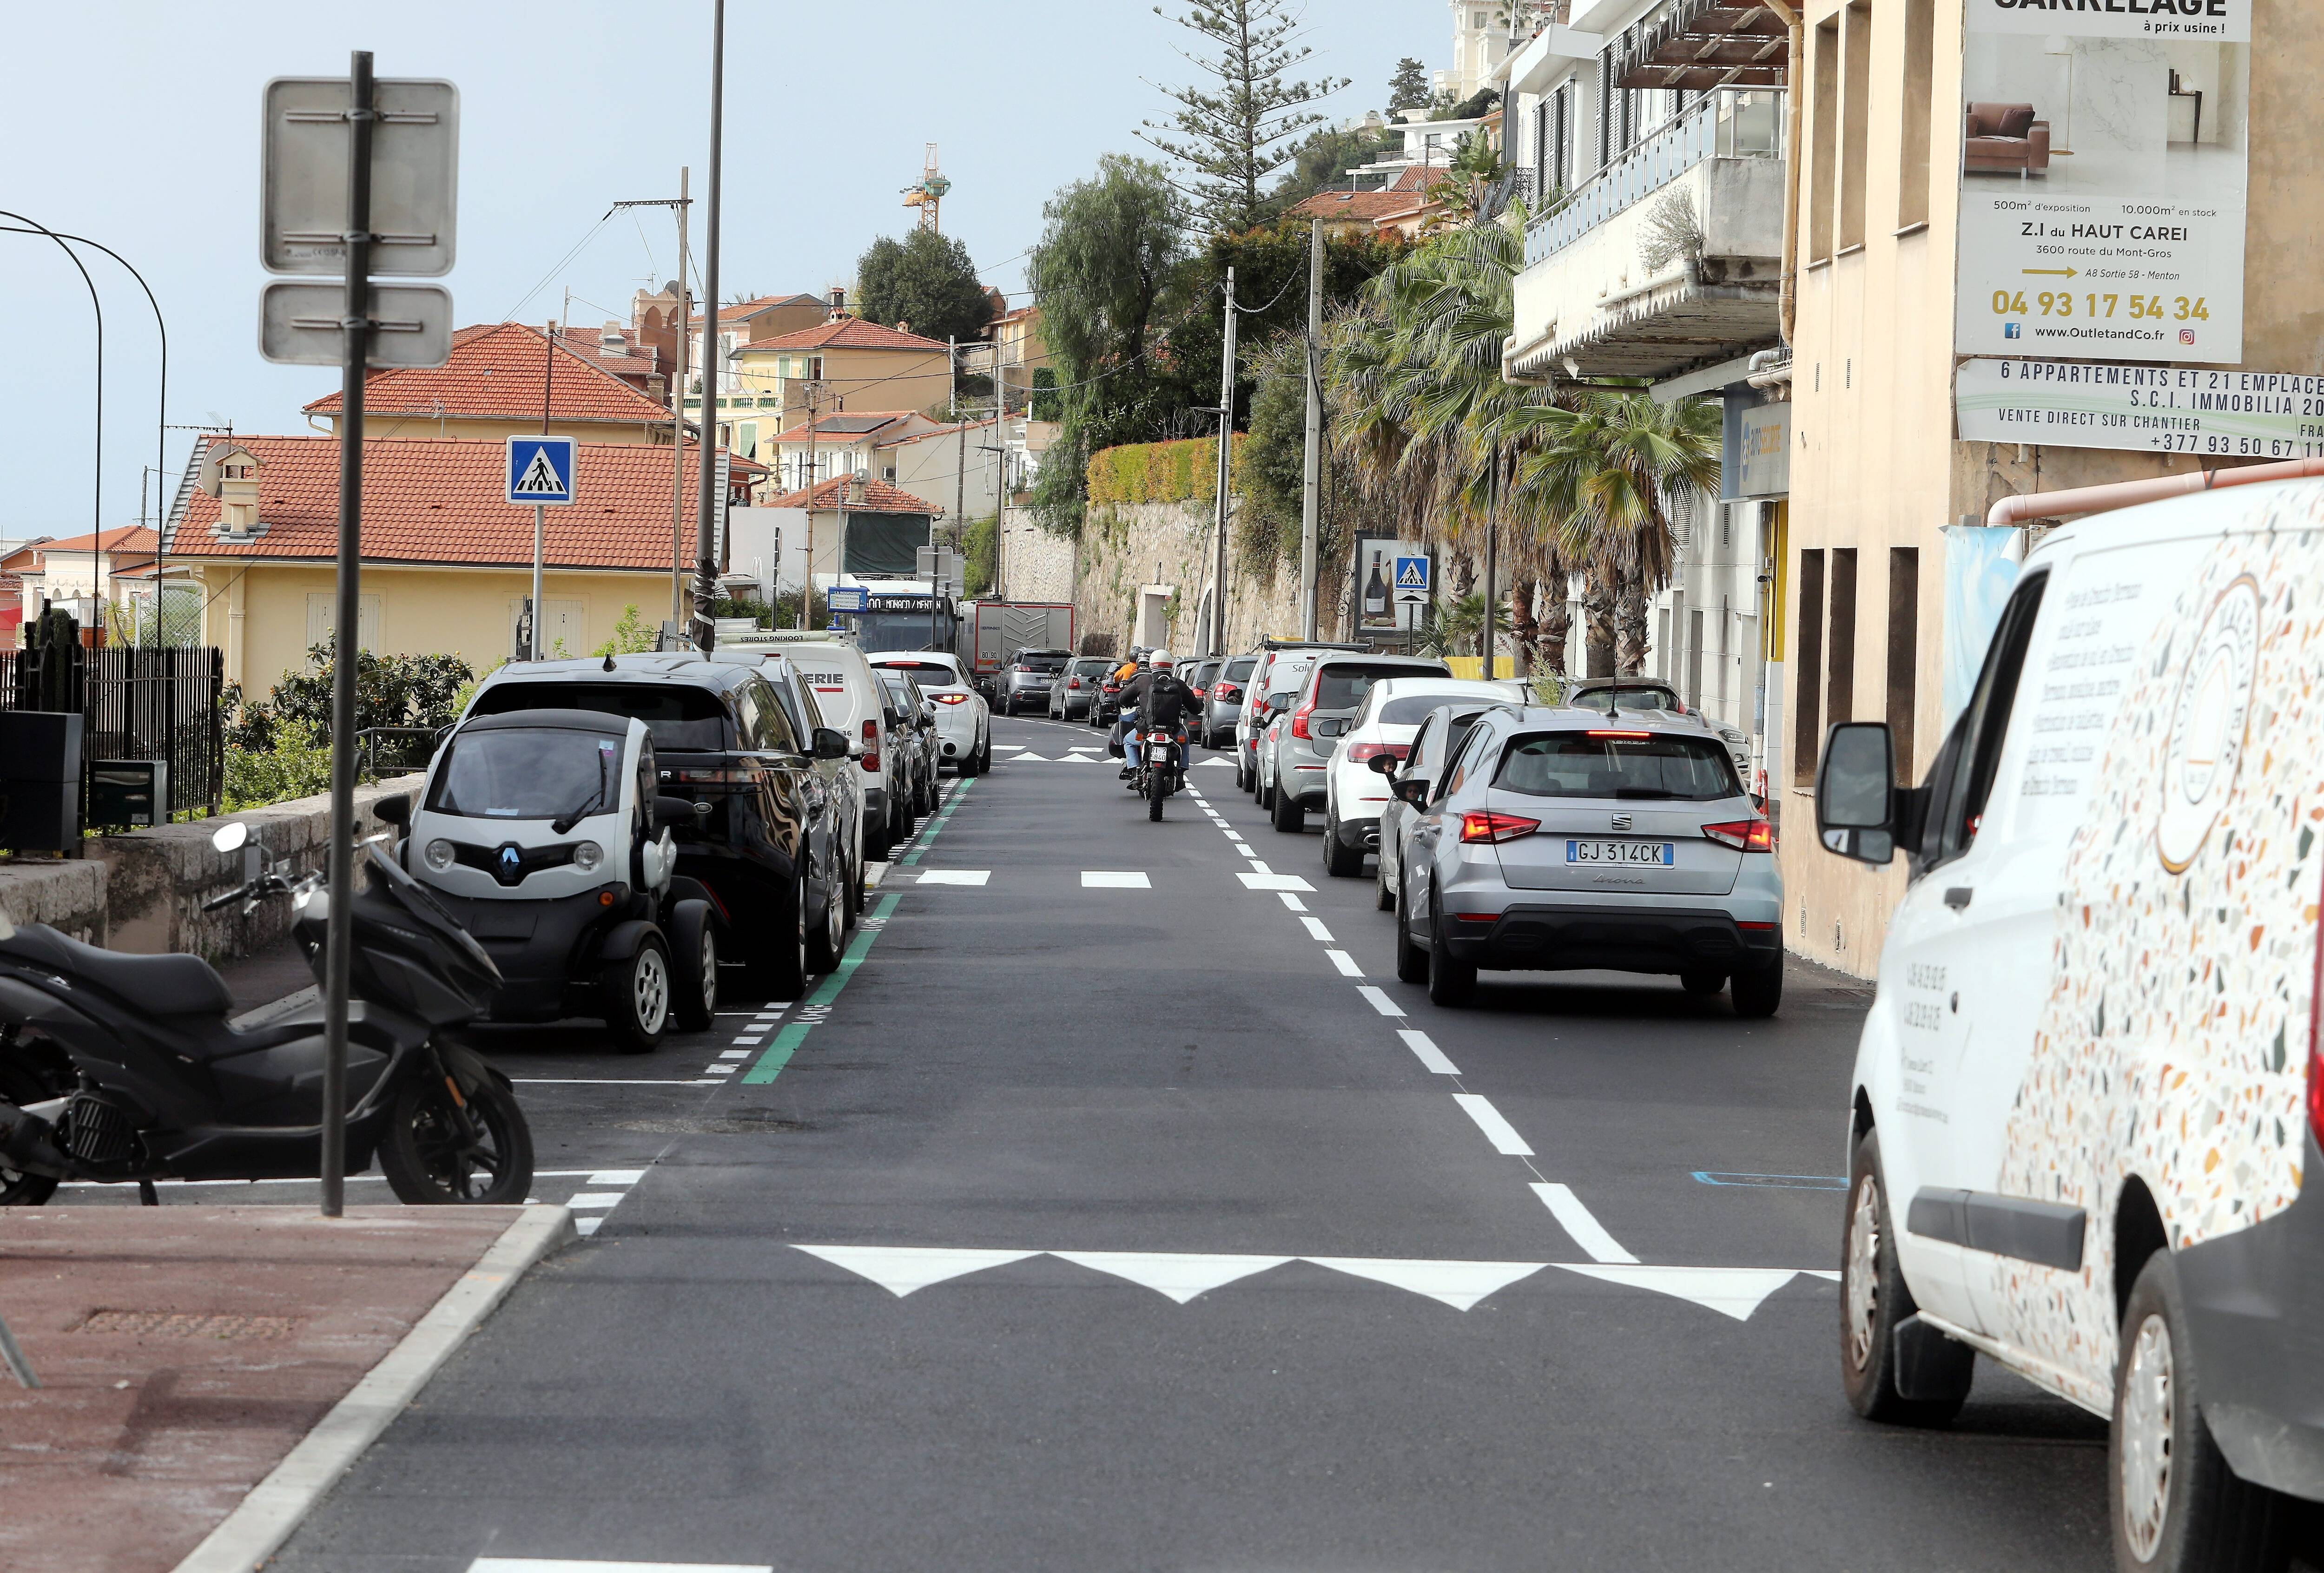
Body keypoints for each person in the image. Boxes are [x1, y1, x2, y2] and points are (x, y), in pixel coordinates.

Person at [1118, 648, 1194, 780]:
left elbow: (1122, 699)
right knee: (1185, 740)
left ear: (1151, 664)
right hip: (1173, 730)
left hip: (1147, 729)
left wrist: (1121, 702)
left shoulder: (1143, 681)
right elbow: (1195, 708)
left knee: (1128, 742)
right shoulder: (1178, 684)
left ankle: (1135, 771)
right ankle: (1181, 774)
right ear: (1171, 665)